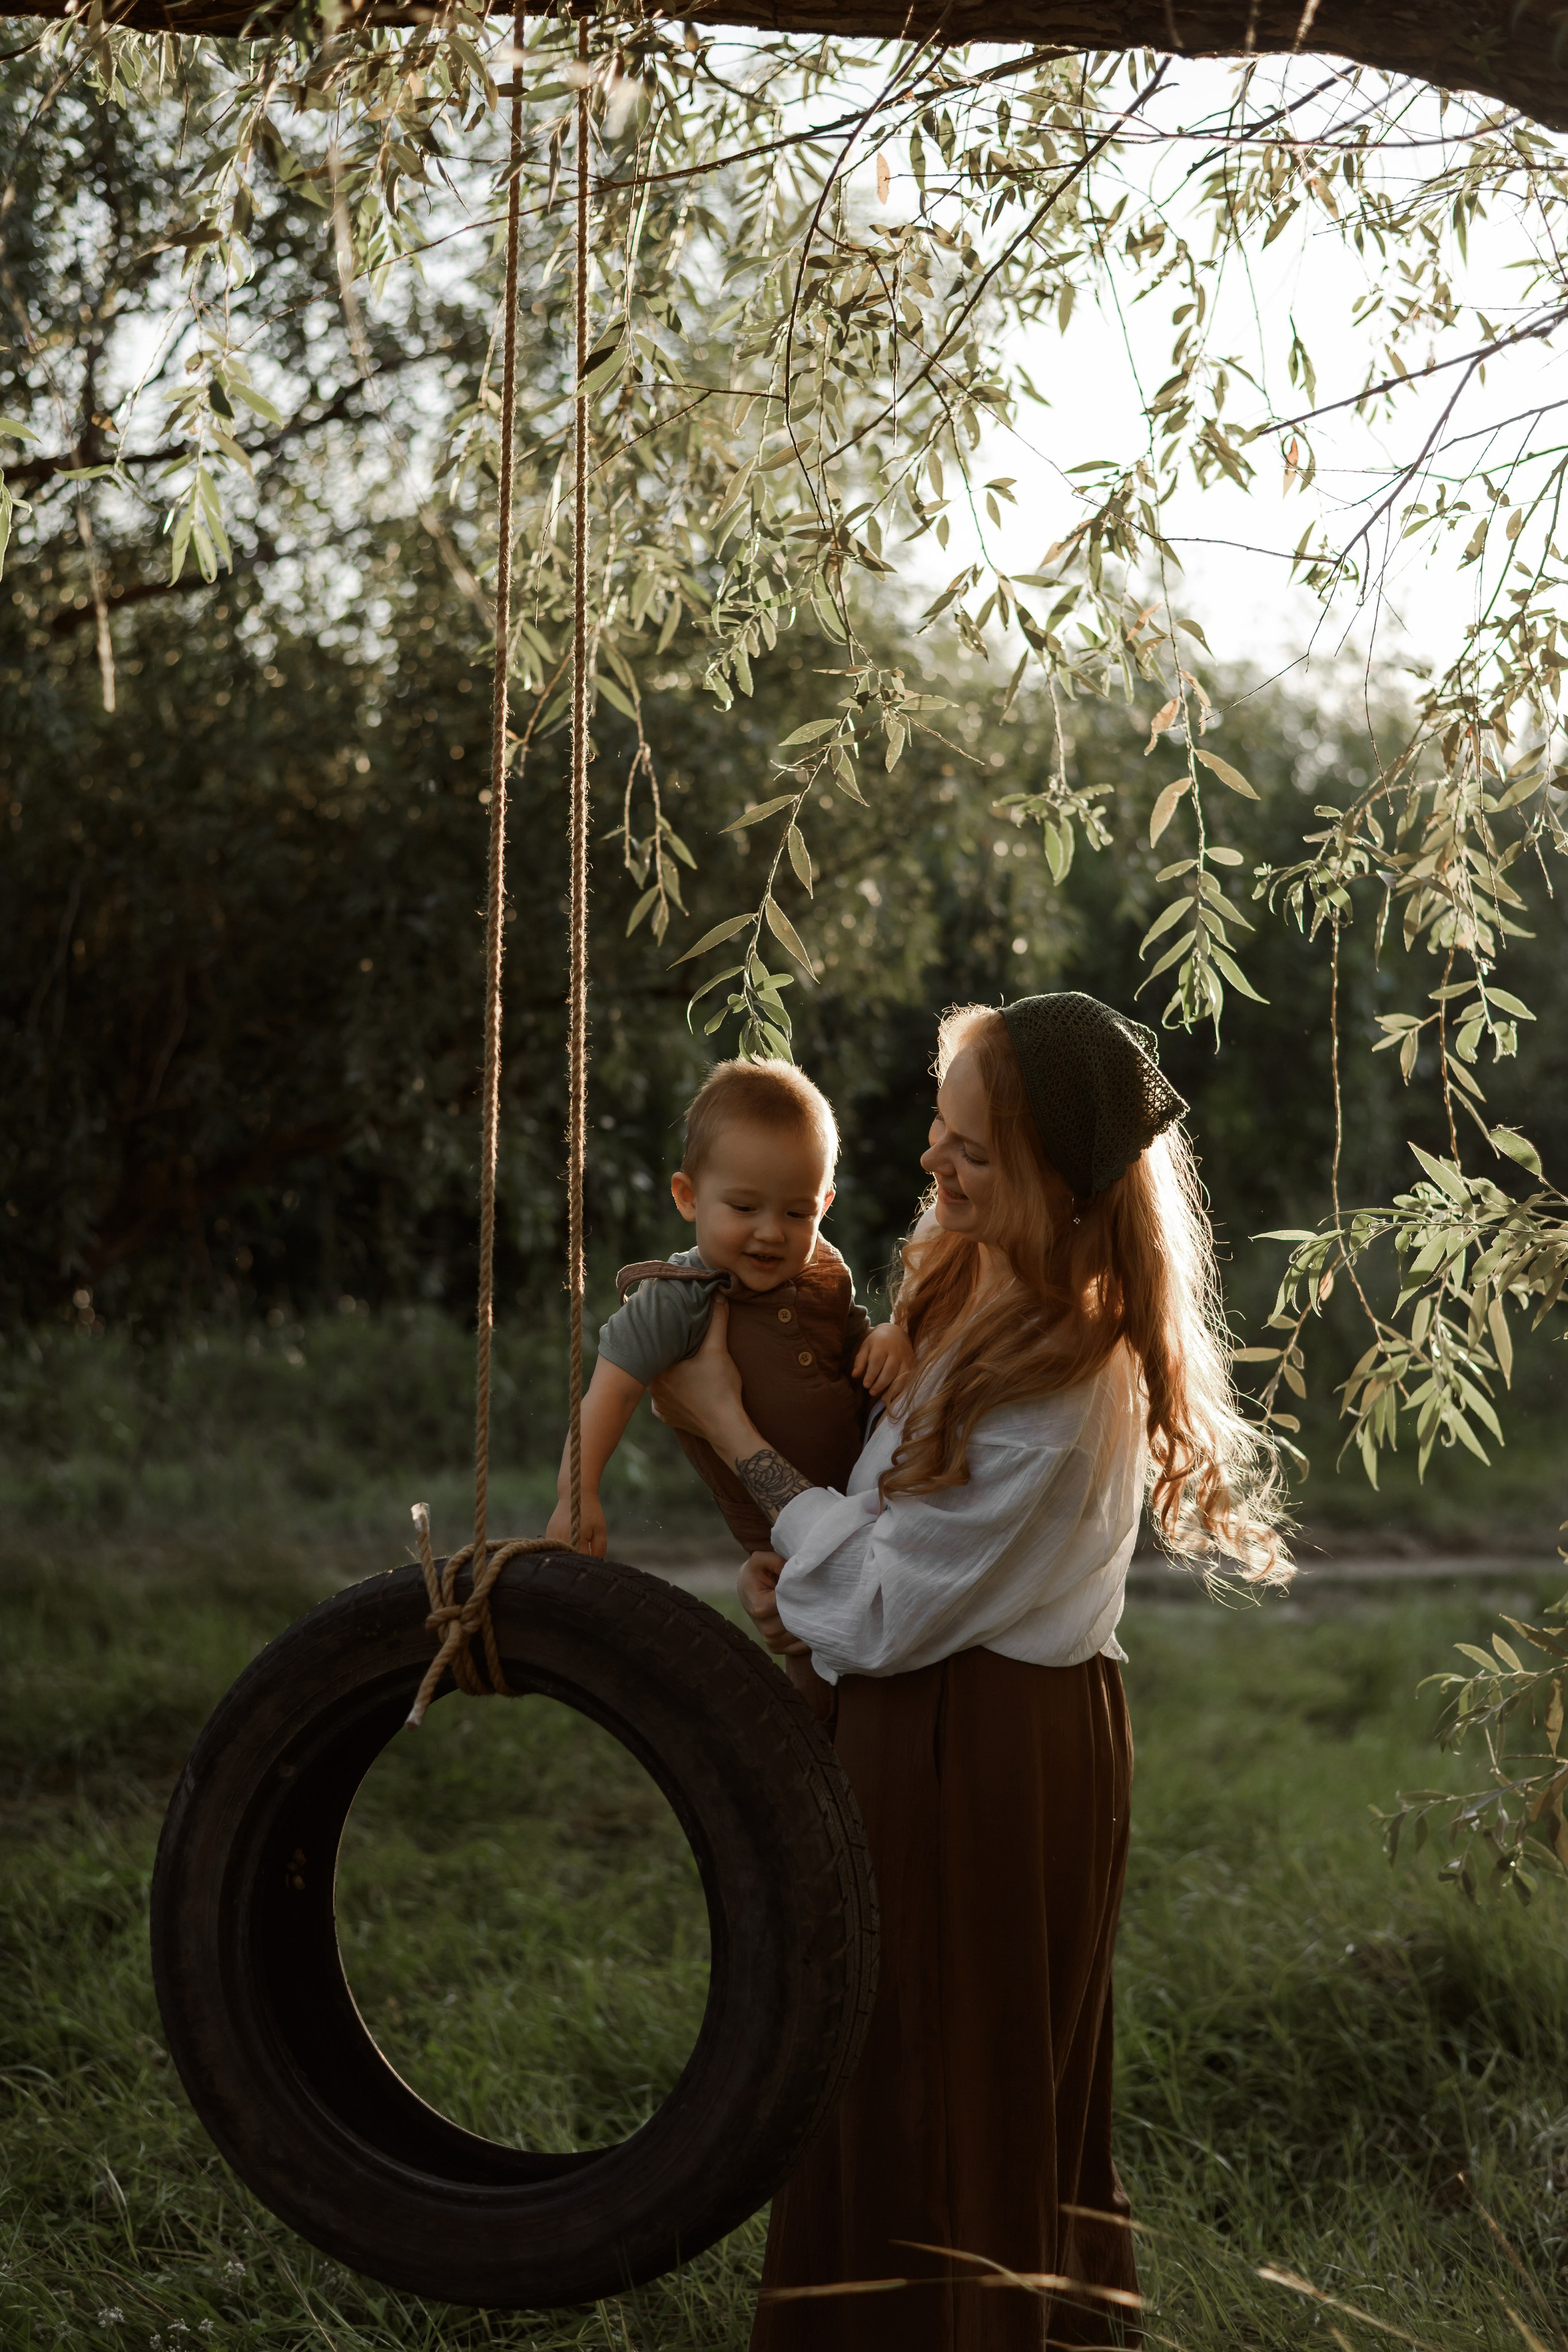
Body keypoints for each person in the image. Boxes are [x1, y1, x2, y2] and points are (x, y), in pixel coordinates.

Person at [649, 993, 1287, 2352]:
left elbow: (886, 1605)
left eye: (971, 1153)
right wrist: (803, 1585)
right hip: (907, 1722)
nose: (932, 1168)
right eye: (938, 1137)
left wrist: (726, 1433)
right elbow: (884, 1545)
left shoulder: (1071, 1380)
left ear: (1058, 1183)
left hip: (991, 1750)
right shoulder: (957, 1278)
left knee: (958, 2092)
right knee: (865, 2084)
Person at [545, 1058, 913, 1564]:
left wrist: (887, 1338)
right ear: (688, 1197)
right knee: (812, 1634)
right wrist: (577, 1494)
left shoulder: (824, 1272)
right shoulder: (680, 1299)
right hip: (774, 1532)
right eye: (744, 1208)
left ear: (823, 1206)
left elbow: (853, 1350)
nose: (770, 1232)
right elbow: (609, 1395)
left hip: (866, 1507)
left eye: (797, 1213)